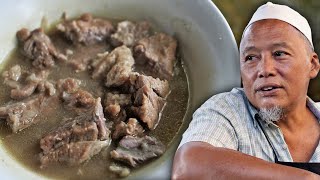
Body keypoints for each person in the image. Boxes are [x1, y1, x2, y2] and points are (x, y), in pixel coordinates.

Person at [172, 2, 320, 179]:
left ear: (312, 65)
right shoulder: (228, 111)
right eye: (251, 58)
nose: (264, 69)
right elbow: (188, 168)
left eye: (279, 54)